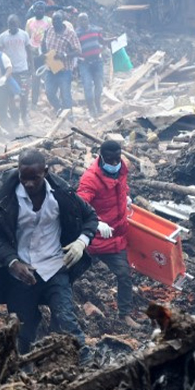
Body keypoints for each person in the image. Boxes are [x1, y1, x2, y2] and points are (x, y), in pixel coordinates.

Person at [0, 149, 97, 363]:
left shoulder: (62, 195)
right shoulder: (8, 200)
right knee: (22, 331)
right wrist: (12, 262)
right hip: (22, 275)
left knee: (66, 320)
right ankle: (25, 371)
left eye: (35, 178)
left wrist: (81, 242)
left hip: (54, 268)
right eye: (25, 178)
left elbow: (90, 217)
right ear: (18, 172)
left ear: (46, 172)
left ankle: (89, 365)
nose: (29, 183)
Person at [76, 141, 142, 329]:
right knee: (74, 271)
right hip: (92, 236)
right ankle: (73, 307)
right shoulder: (90, 179)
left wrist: (126, 197)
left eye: (117, 158)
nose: (114, 163)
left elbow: (122, 188)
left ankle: (125, 314)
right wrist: (95, 223)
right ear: (101, 157)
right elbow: (79, 206)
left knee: (124, 274)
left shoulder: (121, 169)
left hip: (115, 236)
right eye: (110, 160)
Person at [0, 14, 33, 126]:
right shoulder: (2, 37)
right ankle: (15, 120)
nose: (12, 27)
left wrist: (32, 66)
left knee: (24, 95)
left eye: (14, 24)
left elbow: (29, 50)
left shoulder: (24, 35)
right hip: (10, 72)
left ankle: (24, 116)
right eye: (10, 25)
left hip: (23, 70)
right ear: (8, 25)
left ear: (18, 24)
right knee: (11, 97)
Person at [42, 11, 80, 117]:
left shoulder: (70, 34)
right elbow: (44, 45)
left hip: (64, 69)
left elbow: (78, 51)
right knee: (49, 93)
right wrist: (45, 54)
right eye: (54, 20)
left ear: (62, 20)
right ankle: (59, 109)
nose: (56, 22)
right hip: (51, 67)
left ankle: (70, 120)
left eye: (58, 19)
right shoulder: (49, 30)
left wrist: (64, 55)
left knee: (65, 95)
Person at [75, 13, 107, 117]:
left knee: (99, 86)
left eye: (85, 19)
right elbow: (74, 48)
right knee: (87, 86)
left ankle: (98, 105)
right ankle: (91, 109)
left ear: (88, 20)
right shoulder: (77, 34)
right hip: (85, 63)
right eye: (81, 20)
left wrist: (112, 40)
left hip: (97, 62)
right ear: (78, 22)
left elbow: (102, 41)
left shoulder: (96, 30)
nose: (83, 22)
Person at [25, 1, 51, 110]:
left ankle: (53, 101)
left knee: (51, 76)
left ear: (44, 10)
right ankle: (34, 103)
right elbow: (27, 37)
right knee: (35, 78)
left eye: (41, 9)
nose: (39, 10)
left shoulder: (49, 20)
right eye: (37, 9)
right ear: (34, 10)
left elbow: (52, 34)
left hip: (48, 51)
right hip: (34, 52)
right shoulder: (29, 22)